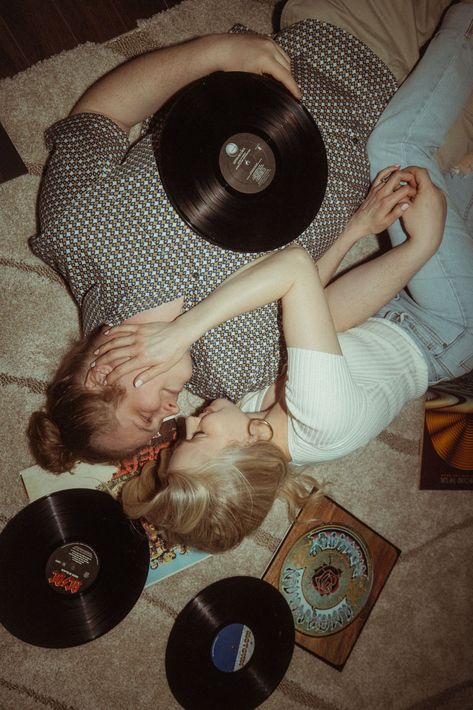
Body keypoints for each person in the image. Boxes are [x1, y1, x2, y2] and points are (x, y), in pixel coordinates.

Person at [101, 3, 473, 553]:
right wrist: (422, 246)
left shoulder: (256, 419)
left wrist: (355, 230)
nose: (190, 418)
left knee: (447, 179)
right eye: (201, 434)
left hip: (390, 312)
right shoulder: (321, 415)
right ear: (248, 446)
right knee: (396, 155)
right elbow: (295, 269)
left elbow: (316, 314)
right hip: (447, 326)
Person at [28, 1, 453, 471]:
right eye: (159, 424)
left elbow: (100, 114)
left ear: (102, 372)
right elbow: (313, 300)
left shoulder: (76, 230)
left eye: (147, 413)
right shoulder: (232, 379)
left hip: (337, 44)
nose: (172, 412)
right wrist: (355, 231)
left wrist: (212, 52)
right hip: (409, 152)